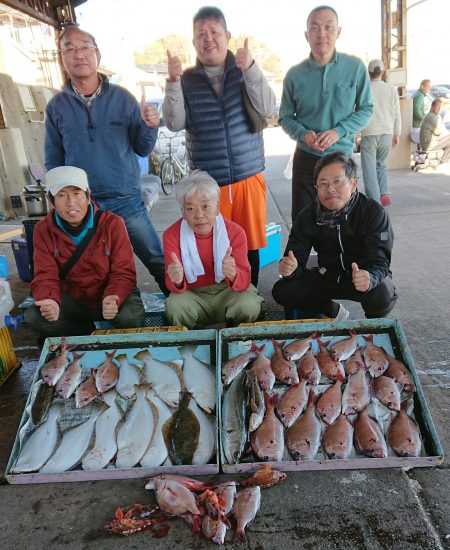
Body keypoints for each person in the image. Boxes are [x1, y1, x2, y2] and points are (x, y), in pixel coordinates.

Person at [44, 25, 168, 295]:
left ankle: (185, 314)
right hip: (85, 206)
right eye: (70, 48)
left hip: (127, 199)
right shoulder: (56, 107)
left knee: (157, 260)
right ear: (62, 59)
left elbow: (142, 148)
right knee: (90, 271)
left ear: (97, 55)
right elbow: (53, 159)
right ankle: (108, 320)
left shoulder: (123, 98)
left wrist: (150, 126)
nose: (78, 54)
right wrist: (59, 201)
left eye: (84, 47)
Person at [162, 6, 275, 287]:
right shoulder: (186, 80)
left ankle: (251, 298)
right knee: (213, 245)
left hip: (248, 177)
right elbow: (174, 123)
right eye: (201, 34)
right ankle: (218, 302)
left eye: (214, 32)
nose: (208, 38)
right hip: (208, 186)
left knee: (248, 244)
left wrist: (250, 68)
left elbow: (268, 106)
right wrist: (173, 84)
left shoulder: (243, 71)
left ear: (227, 36)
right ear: (194, 42)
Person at [272, 152, 397, 320]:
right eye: (323, 184)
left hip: (360, 276)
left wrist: (371, 278)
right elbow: (295, 258)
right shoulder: (307, 216)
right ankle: (332, 310)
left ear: (353, 184)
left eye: (337, 182)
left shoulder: (373, 212)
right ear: (316, 188)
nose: (330, 189)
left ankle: (372, 330)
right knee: (283, 290)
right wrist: (290, 270)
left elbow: (380, 260)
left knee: (383, 293)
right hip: (327, 275)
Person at [24, 166, 145, 338]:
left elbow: (123, 271)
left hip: (106, 292)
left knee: (130, 316)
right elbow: (44, 274)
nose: (71, 202)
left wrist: (114, 296)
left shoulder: (113, 223)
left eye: (77, 193)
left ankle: (118, 345)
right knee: (35, 317)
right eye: (61, 195)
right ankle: (84, 335)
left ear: (88, 196)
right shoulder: (42, 229)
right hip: (72, 297)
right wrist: (50, 299)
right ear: (51, 201)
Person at [279, 5, 373, 222]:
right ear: (306, 35)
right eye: (315, 28)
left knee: (343, 221)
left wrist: (338, 131)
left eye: (328, 27)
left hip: (341, 156)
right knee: (303, 221)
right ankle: (299, 257)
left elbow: (366, 109)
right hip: (306, 158)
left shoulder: (355, 67)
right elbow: (284, 117)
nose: (322, 34)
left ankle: (340, 257)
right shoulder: (294, 75)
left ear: (338, 31)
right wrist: (304, 134)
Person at [163, 170, 263, 329]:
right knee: (175, 305)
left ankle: (239, 340)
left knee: (248, 304)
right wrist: (177, 279)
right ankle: (190, 343)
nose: (199, 215)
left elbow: (245, 280)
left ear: (217, 207)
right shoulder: (171, 235)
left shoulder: (235, 232)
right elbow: (172, 286)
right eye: (190, 209)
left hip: (227, 291)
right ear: (182, 211)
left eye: (205, 206)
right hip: (193, 294)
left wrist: (234, 273)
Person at [360, 59, 401, 207]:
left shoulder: (364, 89)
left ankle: (374, 202)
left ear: (369, 73)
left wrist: (355, 134)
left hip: (369, 133)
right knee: (381, 165)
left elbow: (357, 112)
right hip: (387, 133)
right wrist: (397, 133)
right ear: (382, 72)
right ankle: (384, 192)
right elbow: (397, 113)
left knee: (369, 169)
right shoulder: (391, 89)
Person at [420, 99, 450, 163]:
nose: (439, 109)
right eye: (437, 106)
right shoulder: (431, 117)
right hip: (430, 146)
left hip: (429, 144)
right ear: (432, 107)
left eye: (440, 107)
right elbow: (439, 131)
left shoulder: (432, 115)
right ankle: (443, 160)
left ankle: (443, 160)